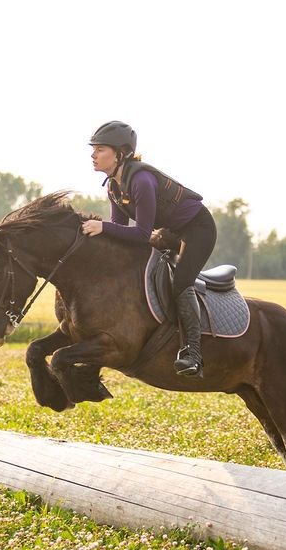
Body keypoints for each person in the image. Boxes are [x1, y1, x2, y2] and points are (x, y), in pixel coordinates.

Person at [81, 121, 216, 378]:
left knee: (181, 283)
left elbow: (142, 235)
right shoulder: (113, 186)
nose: (93, 155)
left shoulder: (141, 180)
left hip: (198, 230)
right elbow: (120, 230)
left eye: (100, 149)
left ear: (120, 154)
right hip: (170, 232)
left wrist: (103, 228)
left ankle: (193, 354)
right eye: (93, 149)